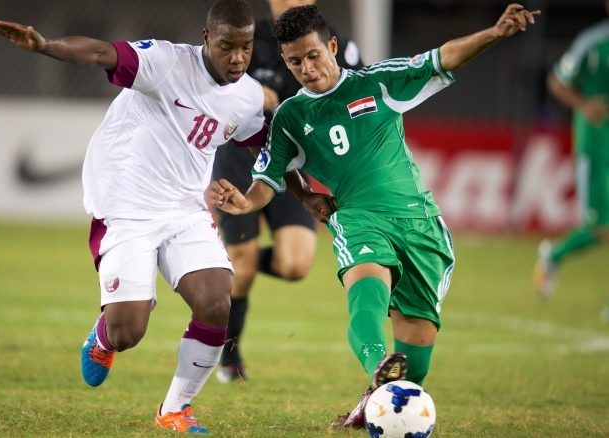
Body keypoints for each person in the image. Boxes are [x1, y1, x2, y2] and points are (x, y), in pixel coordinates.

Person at [0, 1, 329, 433]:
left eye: (246, 47)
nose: (239, 58)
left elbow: (269, 151)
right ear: (207, 38)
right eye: (228, 46)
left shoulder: (245, 96)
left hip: (185, 208)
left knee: (216, 302)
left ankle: (175, 410)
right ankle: (104, 337)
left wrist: (306, 196)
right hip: (126, 207)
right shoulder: (166, 62)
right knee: (129, 330)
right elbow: (100, 53)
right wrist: (43, 45)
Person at [209, 3, 540, 429]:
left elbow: (445, 56)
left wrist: (495, 33)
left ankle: (373, 400)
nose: (306, 69)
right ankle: (376, 363)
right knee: (366, 288)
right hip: (357, 217)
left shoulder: (379, 81)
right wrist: (244, 202)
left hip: (420, 224)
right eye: (295, 62)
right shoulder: (292, 116)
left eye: (313, 56)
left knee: (416, 363)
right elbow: (270, 177)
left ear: (332, 46)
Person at [212, 0, 363, 383]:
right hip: (241, 158)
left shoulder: (337, 46)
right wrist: (245, 91)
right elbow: (209, 81)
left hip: (293, 163)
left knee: (295, 265)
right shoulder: (248, 37)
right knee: (243, 268)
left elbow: (355, 95)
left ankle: (232, 262)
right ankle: (229, 355)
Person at [534, 1, 609, 313]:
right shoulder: (592, 42)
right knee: (600, 226)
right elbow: (557, 81)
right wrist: (583, 104)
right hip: (595, 143)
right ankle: (553, 256)